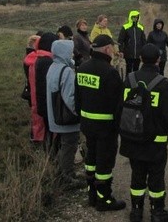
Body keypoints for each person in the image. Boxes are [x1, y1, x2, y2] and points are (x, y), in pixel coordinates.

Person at [119, 43, 168, 222]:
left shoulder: (129, 79)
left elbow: (120, 108)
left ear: (140, 59)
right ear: (158, 60)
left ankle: (136, 212)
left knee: (137, 174)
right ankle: (157, 212)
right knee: (156, 177)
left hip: (132, 138)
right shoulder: (162, 83)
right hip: (155, 142)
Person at [74, 34, 127, 211]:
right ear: (107, 49)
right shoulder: (110, 72)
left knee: (91, 158)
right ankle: (104, 199)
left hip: (87, 124)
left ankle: (91, 194)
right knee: (104, 162)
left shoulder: (82, 68)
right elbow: (118, 105)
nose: (114, 52)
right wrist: (120, 128)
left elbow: (78, 98)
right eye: (113, 48)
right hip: (105, 127)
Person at [45, 39, 82, 190]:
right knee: (69, 146)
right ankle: (66, 177)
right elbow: (70, 97)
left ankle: (65, 173)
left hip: (55, 116)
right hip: (67, 119)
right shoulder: (66, 71)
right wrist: (78, 113)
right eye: (70, 50)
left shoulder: (53, 67)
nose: (72, 53)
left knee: (63, 145)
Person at [32, 32, 59, 150]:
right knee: (50, 133)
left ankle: (48, 154)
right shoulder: (47, 62)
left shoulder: (38, 59)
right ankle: (51, 156)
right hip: (48, 105)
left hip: (41, 103)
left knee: (47, 131)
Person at [118, 10, 147, 74]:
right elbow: (120, 40)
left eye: (136, 17)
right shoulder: (125, 27)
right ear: (130, 17)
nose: (135, 19)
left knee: (136, 70)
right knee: (129, 70)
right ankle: (128, 82)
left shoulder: (141, 28)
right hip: (128, 53)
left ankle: (135, 82)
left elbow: (144, 41)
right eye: (133, 17)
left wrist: (144, 52)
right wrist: (121, 51)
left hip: (138, 54)